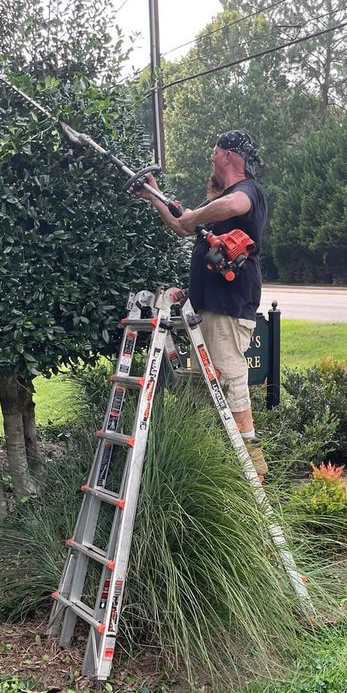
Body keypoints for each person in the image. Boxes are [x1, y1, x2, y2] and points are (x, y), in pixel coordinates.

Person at [135, 131, 268, 471]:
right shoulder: (218, 207)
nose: (211, 159)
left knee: (229, 375)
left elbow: (230, 206)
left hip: (228, 307)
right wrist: (155, 195)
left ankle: (250, 463)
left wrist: (196, 217)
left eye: (214, 153)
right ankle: (222, 461)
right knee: (207, 385)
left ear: (228, 155)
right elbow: (182, 227)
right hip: (207, 308)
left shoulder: (246, 192)